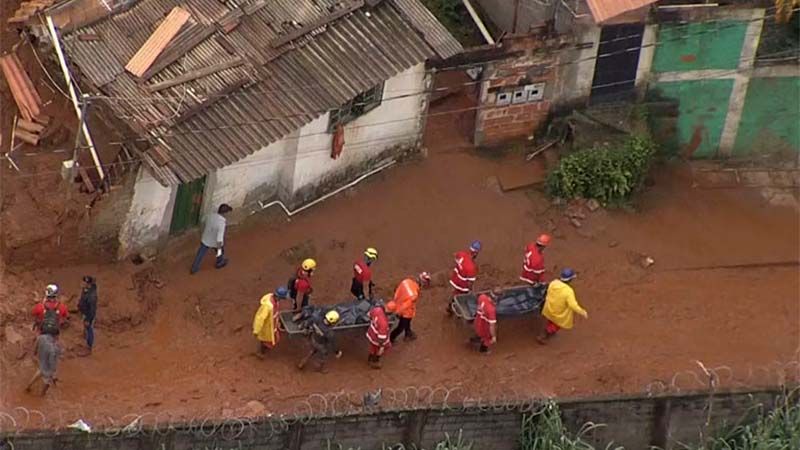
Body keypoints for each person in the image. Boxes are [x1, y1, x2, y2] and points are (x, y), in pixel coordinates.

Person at [537, 268, 588, 345]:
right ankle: (544, 335)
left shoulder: (553, 283)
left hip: (549, 308)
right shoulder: (568, 291)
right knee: (557, 324)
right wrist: (582, 312)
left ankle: (548, 331)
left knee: (551, 320)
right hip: (558, 312)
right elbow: (573, 305)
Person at [190, 203, 233, 274]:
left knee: (200, 253)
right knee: (220, 251)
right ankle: (220, 262)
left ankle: (194, 268)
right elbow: (219, 238)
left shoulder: (211, 216)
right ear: (225, 213)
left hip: (206, 238)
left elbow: (204, 221)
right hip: (215, 242)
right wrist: (219, 247)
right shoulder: (221, 223)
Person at [390, 272, 431, 343]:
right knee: (401, 327)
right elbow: (405, 306)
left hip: (398, 303)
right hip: (405, 312)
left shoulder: (406, 281)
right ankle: (391, 339)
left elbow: (397, 291)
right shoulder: (414, 295)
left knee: (407, 323)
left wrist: (396, 302)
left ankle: (408, 333)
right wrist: (398, 312)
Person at [253, 287, 289, 357]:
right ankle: (261, 352)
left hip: (272, 324)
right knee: (265, 339)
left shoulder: (275, 301)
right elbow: (260, 318)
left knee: (271, 338)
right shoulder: (267, 306)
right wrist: (256, 330)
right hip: (267, 326)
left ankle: (264, 349)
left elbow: (276, 312)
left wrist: (277, 322)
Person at [448, 241, 480, 313]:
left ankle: (449, 307)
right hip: (462, 285)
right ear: (476, 253)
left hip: (455, 278)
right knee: (462, 299)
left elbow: (455, 255)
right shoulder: (471, 267)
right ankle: (459, 310)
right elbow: (470, 283)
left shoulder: (461, 254)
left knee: (453, 293)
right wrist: (470, 291)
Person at [470, 288, 499, 354]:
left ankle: (475, 339)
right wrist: (493, 336)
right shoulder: (491, 310)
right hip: (484, 327)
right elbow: (492, 326)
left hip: (477, 322)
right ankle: (483, 350)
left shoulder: (482, 297)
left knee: (478, 332)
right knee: (487, 339)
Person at [366, 300, 391, 369]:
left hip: (371, 333)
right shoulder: (384, 323)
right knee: (380, 349)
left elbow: (368, 314)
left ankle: (370, 358)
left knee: (372, 347)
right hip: (378, 339)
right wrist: (382, 346)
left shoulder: (377, 309)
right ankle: (375, 360)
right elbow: (382, 338)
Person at [77, 276, 98, 356]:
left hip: (89, 315)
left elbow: (92, 309)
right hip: (85, 313)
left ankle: (89, 348)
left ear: (88, 284)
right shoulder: (86, 291)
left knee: (89, 329)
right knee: (86, 328)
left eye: (84, 282)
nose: (82, 284)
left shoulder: (92, 296)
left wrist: (88, 319)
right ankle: (85, 343)